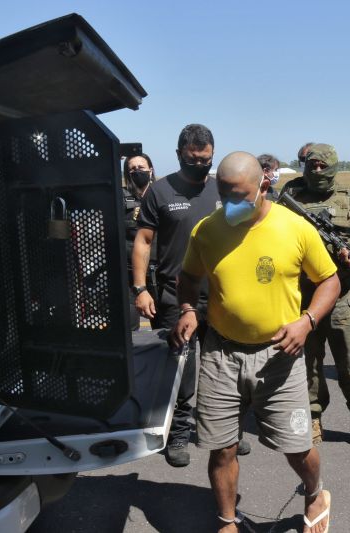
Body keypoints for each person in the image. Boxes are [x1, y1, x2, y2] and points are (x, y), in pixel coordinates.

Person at [172, 151, 339, 533]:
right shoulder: (208, 230)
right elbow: (188, 277)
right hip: (222, 354)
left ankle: (315, 492)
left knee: (297, 446)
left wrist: (307, 321)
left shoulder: (294, 228)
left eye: (241, 197)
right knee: (222, 447)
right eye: (225, 195)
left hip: (280, 355)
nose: (232, 205)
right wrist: (187, 308)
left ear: (264, 185)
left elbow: (329, 280)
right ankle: (227, 520)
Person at [132, 124, 250, 467]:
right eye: (193, 158)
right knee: (181, 367)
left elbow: (247, 232)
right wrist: (140, 289)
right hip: (176, 295)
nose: (200, 164)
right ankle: (178, 432)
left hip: (222, 297)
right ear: (180, 154)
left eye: (207, 159)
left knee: (225, 369)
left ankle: (226, 432)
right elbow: (143, 242)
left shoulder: (221, 189)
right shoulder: (161, 191)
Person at [282, 143, 350, 454]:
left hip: (342, 296)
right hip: (303, 296)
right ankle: (313, 417)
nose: (316, 172)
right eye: (311, 166)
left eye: (322, 167)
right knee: (308, 364)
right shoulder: (289, 200)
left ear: (334, 167)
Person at [122, 153, 156, 331]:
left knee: (163, 329)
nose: (137, 171)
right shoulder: (121, 198)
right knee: (129, 327)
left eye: (141, 168)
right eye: (132, 169)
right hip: (129, 273)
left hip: (157, 272)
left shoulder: (161, 196)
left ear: (150, 170)